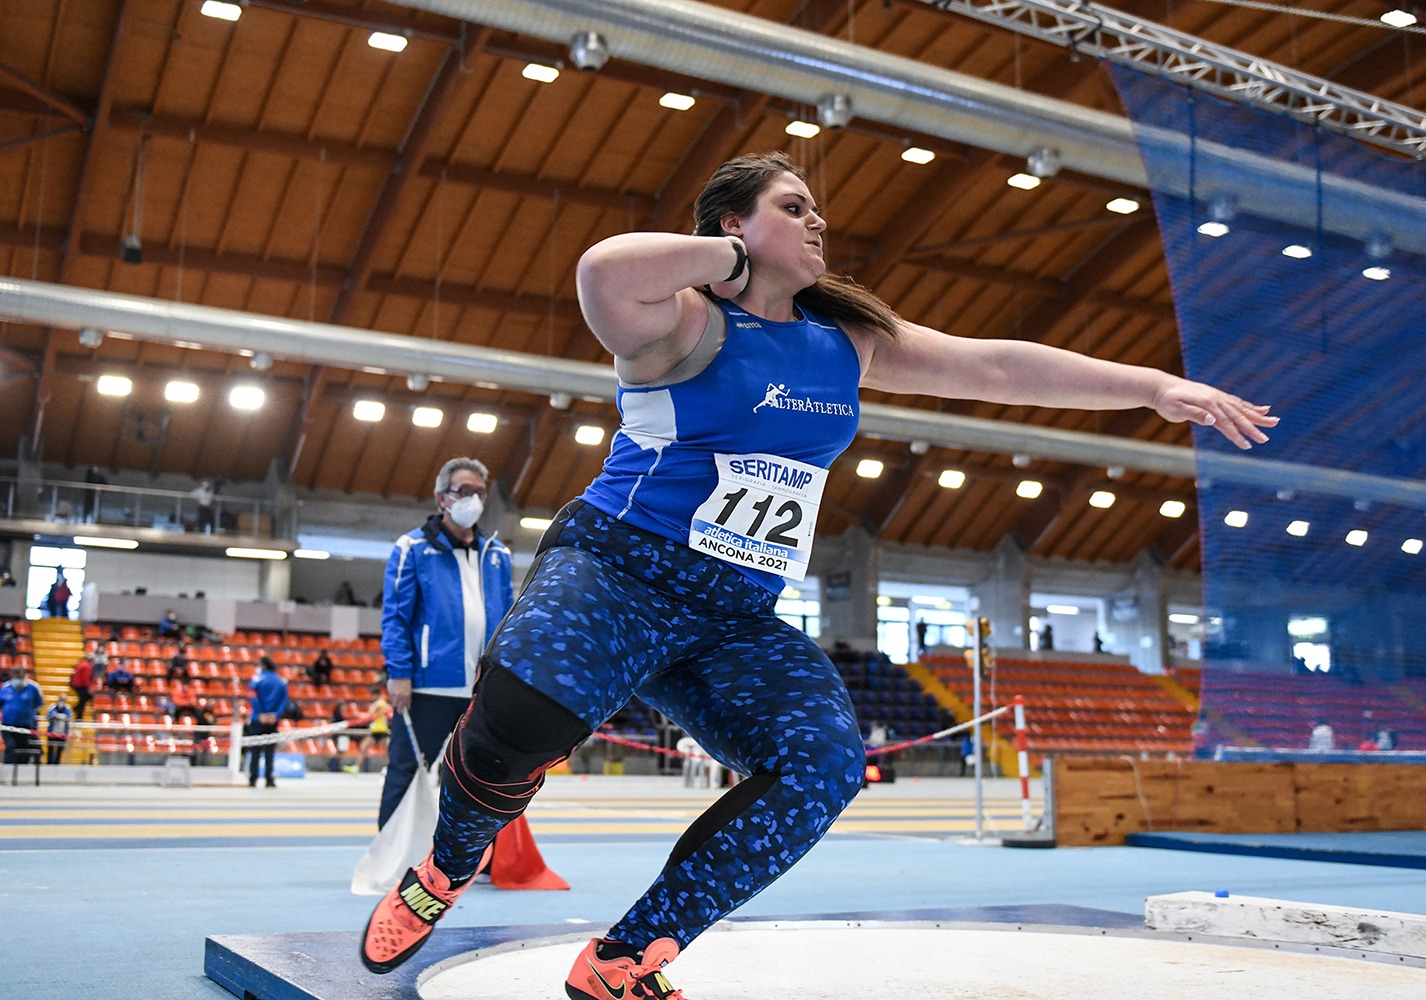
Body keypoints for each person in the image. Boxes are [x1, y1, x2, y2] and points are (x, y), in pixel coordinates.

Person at [358, 151, 1277, 988]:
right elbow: (601, 268)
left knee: (826, 763)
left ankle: (631, 953)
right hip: (617, 569)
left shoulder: (848, 340)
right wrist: (733, 262)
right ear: (732, 227)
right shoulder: (679, 322)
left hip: (735, 614)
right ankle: (447, 864)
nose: (817, 224)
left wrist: (1154, 387)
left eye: (817, 213)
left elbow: (996, 369)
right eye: (792, 208)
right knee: (520, 720)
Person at [372, 457, 514, 828]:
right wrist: (399, 673)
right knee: (407, 769)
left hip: (482, 689)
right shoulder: (412, 549)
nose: (473, 499)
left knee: (486, 778)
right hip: (428, 684)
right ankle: (393, 859)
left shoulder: (496, 555)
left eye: (479, 492)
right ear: (441, 499)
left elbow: (509, 621)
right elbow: (396, 618)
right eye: (463, 491)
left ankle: (479, 861)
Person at [245, 655, 289, 788]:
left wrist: (260, 714)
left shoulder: (256, 679)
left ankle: (253, 779)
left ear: (263, 665)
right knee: (270, 751)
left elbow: (253, 698)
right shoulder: (281, 682)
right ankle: (269, 779)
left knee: (255, 750)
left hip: (257, 720)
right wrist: (275, 715)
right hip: (273, 721)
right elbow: (284, 701)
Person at [1, 665, 44, 764]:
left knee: (22, 747)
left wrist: (27, 712)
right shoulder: (6, 687)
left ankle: (21, 768)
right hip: (8, 724)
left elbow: (39, 703)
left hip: (25, 724)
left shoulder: (33, 687)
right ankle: (8, 767)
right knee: (10, 746)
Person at [350, 686, 392, 774]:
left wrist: (358, 715)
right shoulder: (381, 703)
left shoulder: (380, 703)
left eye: (373, 695)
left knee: (388, 751)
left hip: (381, 730)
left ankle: (393, 767)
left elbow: (369, 714)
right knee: (364, 748)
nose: (372, 697)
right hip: (375, 730)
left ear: (376, 695)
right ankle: (356, 768)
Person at [45, 695, 72, 764]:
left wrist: (64, 718)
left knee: (59, 749)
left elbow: (69, 718)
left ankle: (57, 763)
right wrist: (54, 716)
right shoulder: (52, 707)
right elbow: (48, 717)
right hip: (52, 732)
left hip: (62, 733)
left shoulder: (67, 709)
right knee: (50, 748)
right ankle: (49, 762)